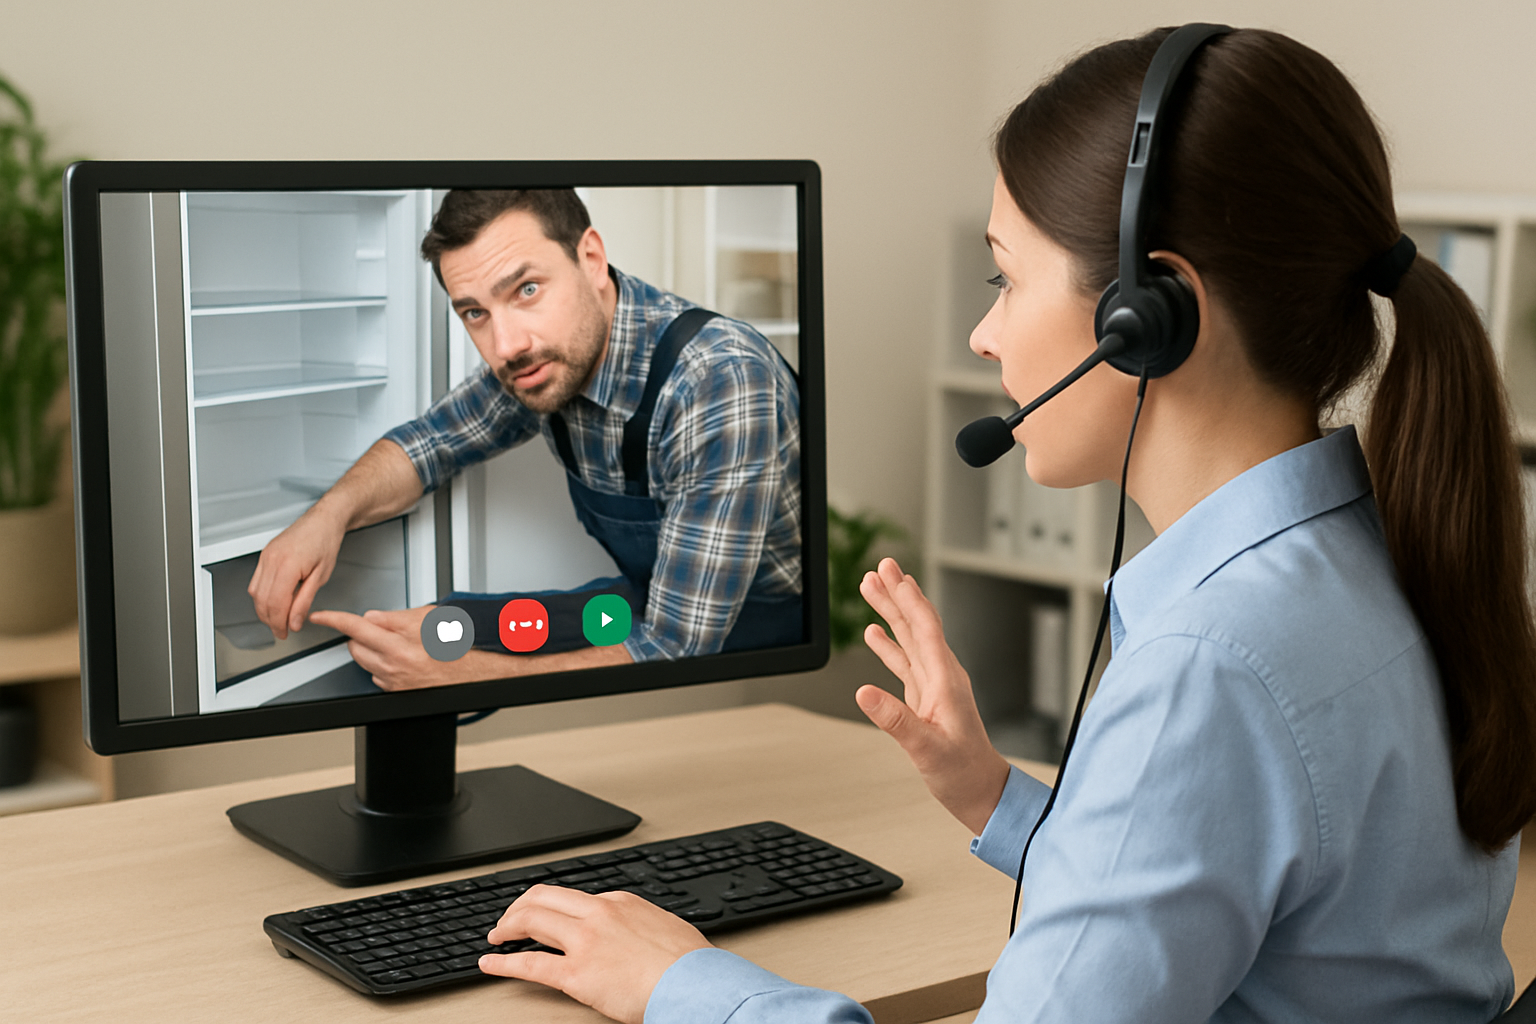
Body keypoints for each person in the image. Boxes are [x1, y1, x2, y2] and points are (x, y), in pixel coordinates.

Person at [466, 26, 1536, 1024]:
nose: (983, 335)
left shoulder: (1213, 668)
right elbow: (1233, 887)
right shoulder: (1375, 556)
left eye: (1006, 279)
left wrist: (679, 981)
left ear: (1149, 318)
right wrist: (991, 795)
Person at [247, 189, 803, 690]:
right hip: (646, 596)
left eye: (527, 289)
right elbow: (430, 444)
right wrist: (328, 515)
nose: (506, 345)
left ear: (591, 259)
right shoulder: (542, 358)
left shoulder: (721, 381)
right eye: (475, 312)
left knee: (452, 658)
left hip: (756, 629)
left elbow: (676, 648)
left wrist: (465, 675)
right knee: (444, 627)